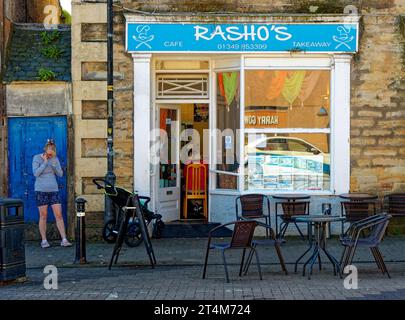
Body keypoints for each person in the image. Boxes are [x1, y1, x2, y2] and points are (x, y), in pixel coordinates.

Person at [32, 139, 72, 248]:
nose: (51, 152)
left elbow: (60, 174)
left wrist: (54, 164)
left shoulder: (55, 159)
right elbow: (36, 173)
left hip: (54, 190)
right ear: (45, 149)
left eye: (53, 150)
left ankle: (64, 239)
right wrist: (45, 162)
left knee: (59, 215)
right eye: (49, 149)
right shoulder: (37, 158)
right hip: (41, 191)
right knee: (43, 216)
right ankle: (44, 240)